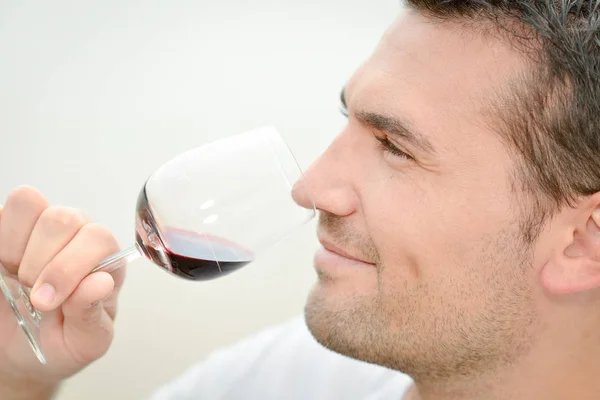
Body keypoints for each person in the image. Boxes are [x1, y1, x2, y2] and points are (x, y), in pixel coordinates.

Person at [2, 1, 600, 399]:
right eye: (350, 120)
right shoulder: (289, 380)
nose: (310, 188)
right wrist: (18, 379)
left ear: (583, 240)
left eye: (395, 147)